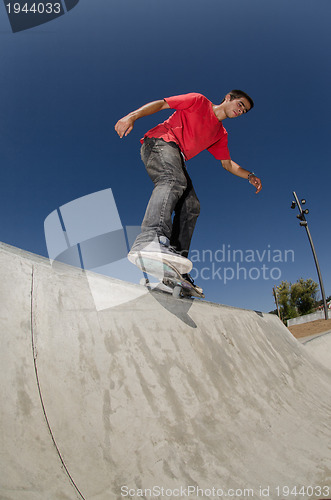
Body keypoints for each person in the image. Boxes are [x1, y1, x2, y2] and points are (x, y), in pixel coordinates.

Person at [115, 91, 262, 291]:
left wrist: (249, 175)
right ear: (228, 97)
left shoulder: (220, 134)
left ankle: (174, 269)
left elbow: (227, 164)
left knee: (192, 206)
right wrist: (132, 116)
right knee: (173, 179)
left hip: (177, 156)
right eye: (240, 104)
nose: (240, 110)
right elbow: (161, 104)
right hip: (159, 142)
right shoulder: (199, 101)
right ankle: (149, 239)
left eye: (243, 111)